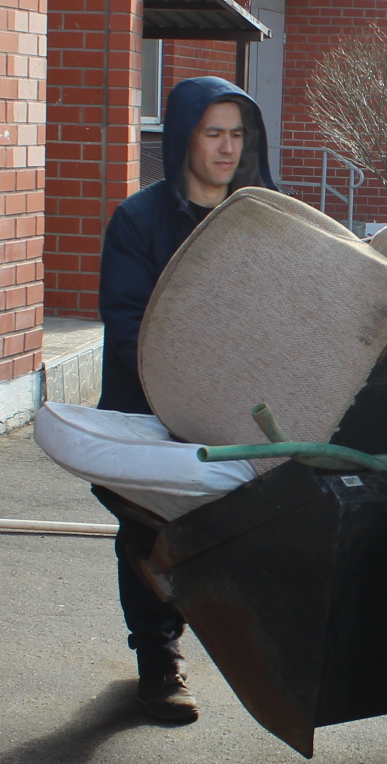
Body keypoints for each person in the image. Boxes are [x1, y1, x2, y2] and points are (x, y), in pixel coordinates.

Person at [94, 75, 272, 723]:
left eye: (237, 134)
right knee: (147, 533)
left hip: (240, 417)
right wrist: (190, 392)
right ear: (183, 140)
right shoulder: (138, 222)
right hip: (149, 412)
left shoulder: (264, 219)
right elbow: (128, 327)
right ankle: (159, 664)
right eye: (212, 133)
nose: (227, 148)